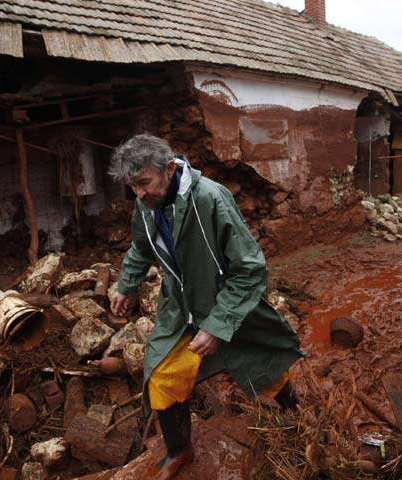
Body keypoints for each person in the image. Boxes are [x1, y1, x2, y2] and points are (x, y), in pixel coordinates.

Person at [108, 134, 303, 479]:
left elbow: (250, 269)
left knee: (264, 365)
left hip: (230, 305)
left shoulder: (210, 198)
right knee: (162, 374)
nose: (139, 193)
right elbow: (141, 246)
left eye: (143, 183)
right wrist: (126, 284)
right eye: (132, 186)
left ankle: (297, 419)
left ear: (168, 169)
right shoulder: (147, 204)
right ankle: (179, 450)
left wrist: (217, 325)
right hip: (181, 308)